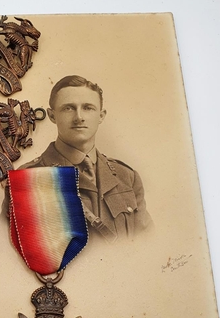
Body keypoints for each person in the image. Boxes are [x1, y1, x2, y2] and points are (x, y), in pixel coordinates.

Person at [19, 75, 152, 243]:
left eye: (88, 108)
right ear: (52, 116)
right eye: (68, 108)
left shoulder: (127, 176)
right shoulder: (27, 177)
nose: (79, 117)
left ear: (101, 115)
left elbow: (147, 243)